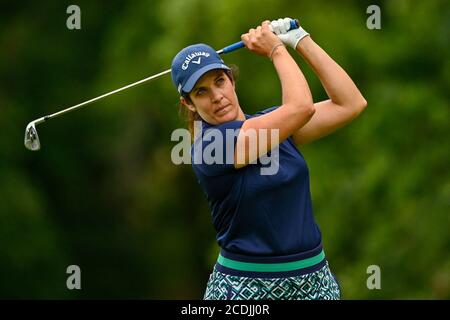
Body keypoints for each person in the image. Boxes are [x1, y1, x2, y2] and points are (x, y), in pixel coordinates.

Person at [170, 17, 367, 300]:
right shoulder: (210, 148)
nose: (217, 96)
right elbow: (301, 107)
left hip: (314, 282)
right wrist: (277, 50)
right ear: (188, 103)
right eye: (201, 91)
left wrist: (301, 40)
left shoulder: (272, 125)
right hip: (246, 290)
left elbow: (350, 103)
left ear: (231, 79)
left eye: (219, 81)